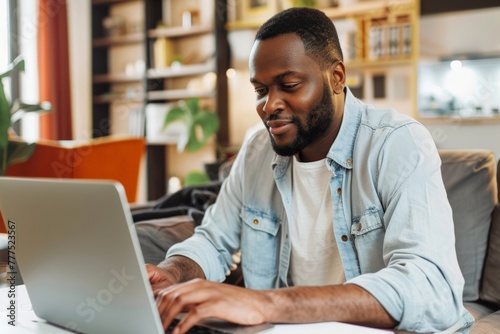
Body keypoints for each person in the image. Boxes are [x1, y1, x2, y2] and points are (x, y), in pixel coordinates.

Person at [147, 7, 473, 334]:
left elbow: (431, 288)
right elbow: (214, 239)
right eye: (260, 90)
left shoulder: (397, 143)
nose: (269, 105)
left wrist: (268, 303)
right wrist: (173, 272)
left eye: (288, 85)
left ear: (337, 77)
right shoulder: (257, 150)